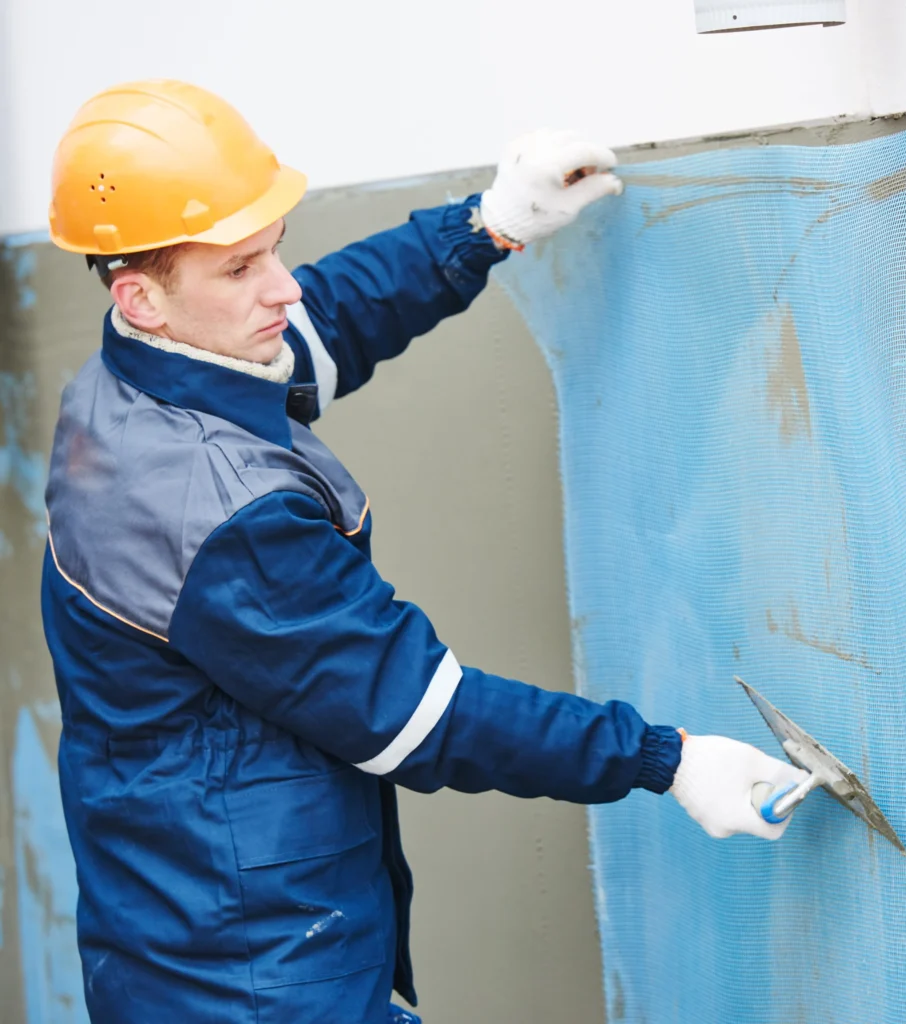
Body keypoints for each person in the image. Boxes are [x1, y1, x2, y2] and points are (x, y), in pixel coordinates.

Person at [41, 80, 807, 1024]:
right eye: (241, 269)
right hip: (257, 980)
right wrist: (663, 759)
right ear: (141, 297)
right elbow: (425, 716)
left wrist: (488, 225)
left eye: (272, 252)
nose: (279, 285)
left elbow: (322, 320)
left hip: (177, 932)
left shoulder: (127, 382)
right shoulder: (222, 518)